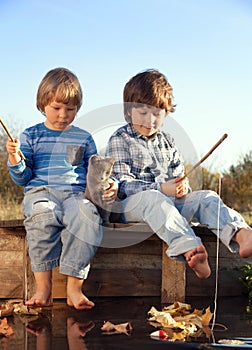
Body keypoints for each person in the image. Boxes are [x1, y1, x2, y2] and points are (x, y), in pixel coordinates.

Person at [105, 68, 252, 279]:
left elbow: (179, 180)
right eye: (143, 112)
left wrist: (182, 188)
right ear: (129, 111)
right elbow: (122, 185)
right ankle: (191, 248)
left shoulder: (168, 142)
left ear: (166, 113)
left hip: (168, 208)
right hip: (132, 208)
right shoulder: (121, 139)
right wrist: (162, 188)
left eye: (157, 113)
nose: (150, 120)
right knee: (153, 197)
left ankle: (241, 233)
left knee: (206, 197)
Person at [6, 67, 118, 309]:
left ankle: (74, 288)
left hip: (75, 195)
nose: (63, 115)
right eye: (56, 108)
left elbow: (95, 172)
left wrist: (109, 183)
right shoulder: (30, 136)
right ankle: (43, 288)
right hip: (41, 192)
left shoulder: (84, 137)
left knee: (87, 216)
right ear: (43, 103)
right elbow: (23, 178)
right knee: (42, 214)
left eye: (70, 109)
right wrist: (15, 159)